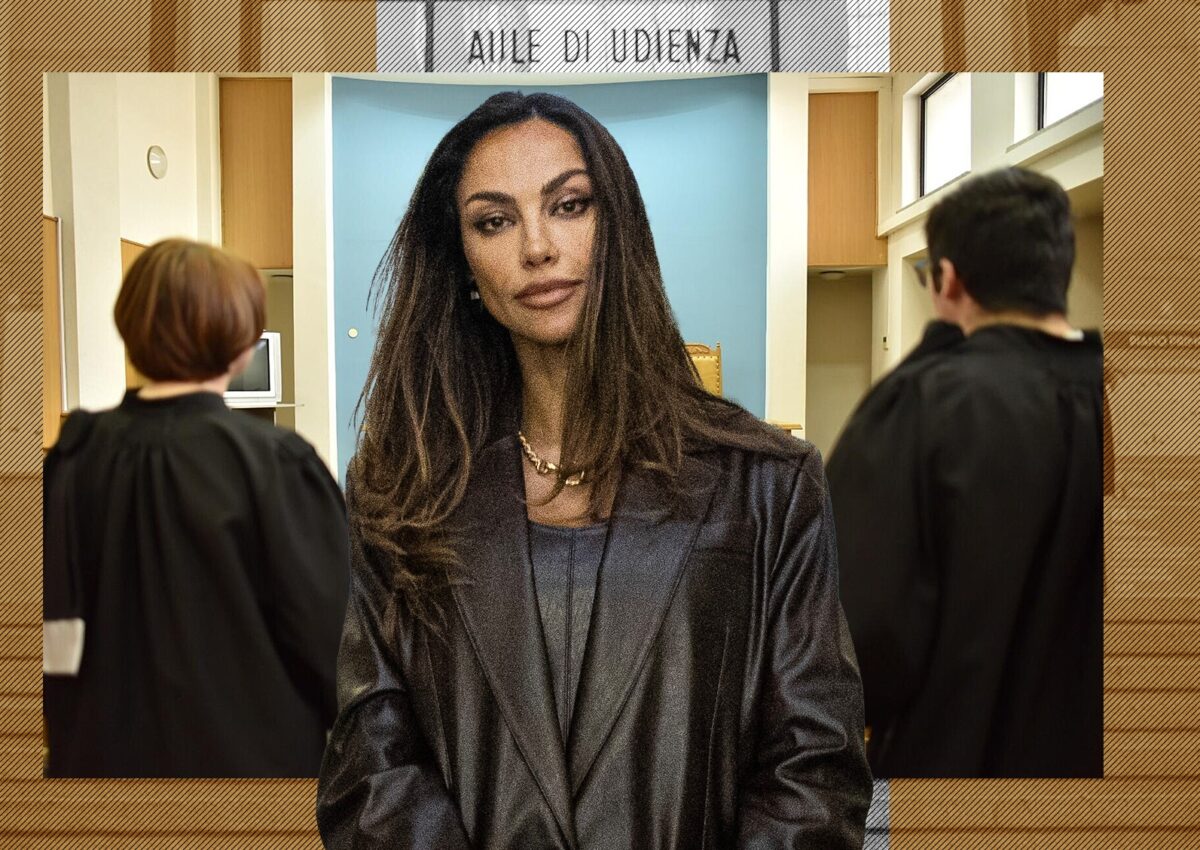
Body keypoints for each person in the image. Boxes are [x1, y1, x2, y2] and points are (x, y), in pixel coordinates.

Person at [316, 92, 872, 849]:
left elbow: (814, 772)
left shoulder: (768, 485)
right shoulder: (401, 491)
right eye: (494, 221)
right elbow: (370, 765)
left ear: (619, 228)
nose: (537, 247)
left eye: (569, 206)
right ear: (464, 263)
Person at [826, 167, 1103, 778]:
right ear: (1057, 269)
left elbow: (856, 636)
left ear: (948, 279)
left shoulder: (927, 404)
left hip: (960, 768)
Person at [42, 239, 350, 777]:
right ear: (242, 342)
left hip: (95, 768)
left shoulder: (69, 458)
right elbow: (336, 645)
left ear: (131, 325)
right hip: (252, 774)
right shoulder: (277, 463)